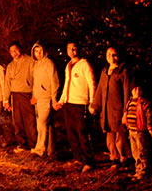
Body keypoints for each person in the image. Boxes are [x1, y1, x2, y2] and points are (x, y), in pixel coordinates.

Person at [55, 42, 96, 173]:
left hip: (80, 103)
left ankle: (88, 161)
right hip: (69, 103)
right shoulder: (68, 66)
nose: (72, 50)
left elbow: (91, 83)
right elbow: (67, 84)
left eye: (74, 48)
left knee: (82, 132)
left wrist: (92, 102)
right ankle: (78, 158)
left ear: (78, 49)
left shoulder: (84, 64)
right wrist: (61, 100)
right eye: (69, 48)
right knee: (71, 132)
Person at [89, 47, 132, 170]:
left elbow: (126, 92)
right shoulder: (104, 72)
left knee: (120, 138)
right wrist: (95, 106)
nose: (112, 57)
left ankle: (125, 160)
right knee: (110, 138)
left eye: (114, 55)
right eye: (109, 55)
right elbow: (100, 91)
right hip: (106, 112)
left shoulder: (123, 71)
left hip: (118, 110)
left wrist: (125, 111)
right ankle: (114, 159)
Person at [3, 41, 37, 152]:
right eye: (12, 51)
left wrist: (34, 95)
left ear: (20, 49)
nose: (14, 53)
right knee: (17, 122)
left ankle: (33, 144)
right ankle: (22, 144)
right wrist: (6, 100)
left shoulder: (30, 61)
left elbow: (35, 79)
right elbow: (7, 84)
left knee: (30, 121)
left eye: (16, 50)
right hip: (15, 95)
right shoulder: (10, 66)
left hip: (27, 94)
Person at [29, 41, 59, 158]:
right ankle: (51, 150)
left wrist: (54, 98)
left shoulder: (49, 63)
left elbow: (54, 81)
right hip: (39, 98)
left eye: (40, 50)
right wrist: (34, 95)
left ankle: (40, 149)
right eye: (36, 51)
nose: (38, 53)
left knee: (41, 123)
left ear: (44, 50)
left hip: (47, 97)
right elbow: (35, 82)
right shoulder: (36, 65)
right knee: (47, 124)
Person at [122, 84, 152, 181]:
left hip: (140, 131)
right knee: (135, 152)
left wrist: (150, 127)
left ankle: (144, 171)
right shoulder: (129, 102)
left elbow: (149, 115)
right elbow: (126, 113)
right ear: (131, 91)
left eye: (139, 89)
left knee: (142, 151)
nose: (137, 91)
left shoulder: (144, 102)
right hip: (131, 130)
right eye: (135, 89)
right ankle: (138, 169)